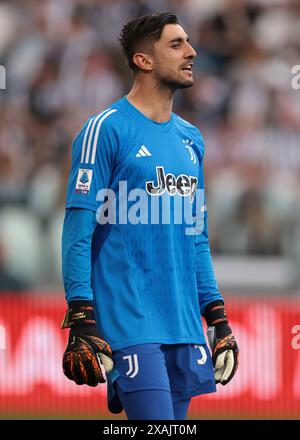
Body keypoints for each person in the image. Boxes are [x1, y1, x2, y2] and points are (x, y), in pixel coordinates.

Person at [61, 12, 239, 420]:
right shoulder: (104, 129)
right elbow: (78, 230)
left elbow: (196, 237)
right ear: (143, 60)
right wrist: (82, 315)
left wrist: (218, 317)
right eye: (176, 45)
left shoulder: (191, 138)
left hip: (182, 322)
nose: (192, 52)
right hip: (129, 319)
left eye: (188, 43)